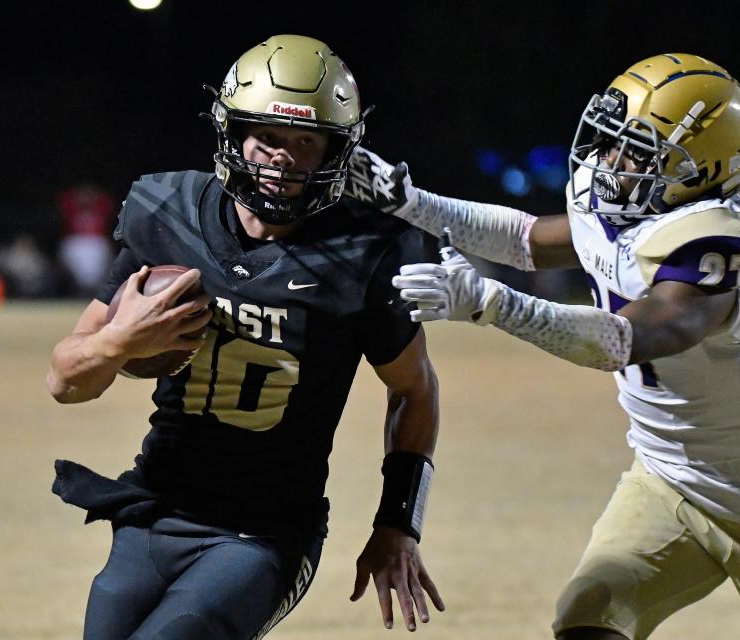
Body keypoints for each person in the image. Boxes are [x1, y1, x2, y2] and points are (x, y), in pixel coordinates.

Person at [345, 53, 740, 640]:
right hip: (666, 478)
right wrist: (411, 203)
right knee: (587, 623)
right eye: (612, 140)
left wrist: (492, 305)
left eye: (638, 150)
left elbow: (628, 338)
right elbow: (524, 239)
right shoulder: (636, 209)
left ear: (701, 171)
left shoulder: (714, 237)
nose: (609, 160)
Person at [46, 34, 444, 640]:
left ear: (337, 151)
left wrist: (398, 523)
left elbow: (414, 389)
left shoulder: (365, 250)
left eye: (306, 141)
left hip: (263, 534)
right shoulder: (168, 212)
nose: (283, 157)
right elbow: (64, 382)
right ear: (233, 136)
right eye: (268, 138)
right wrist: (118, 344)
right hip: (156, 510)